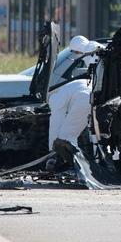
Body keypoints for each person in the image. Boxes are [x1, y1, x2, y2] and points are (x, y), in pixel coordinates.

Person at [46, 37, 104, 170]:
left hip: (86, 99)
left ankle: (75, 168)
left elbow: (55, 122)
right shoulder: (95, 50)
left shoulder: (55, 98)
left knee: (66, 138)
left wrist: (52, 150)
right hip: (95, 97)